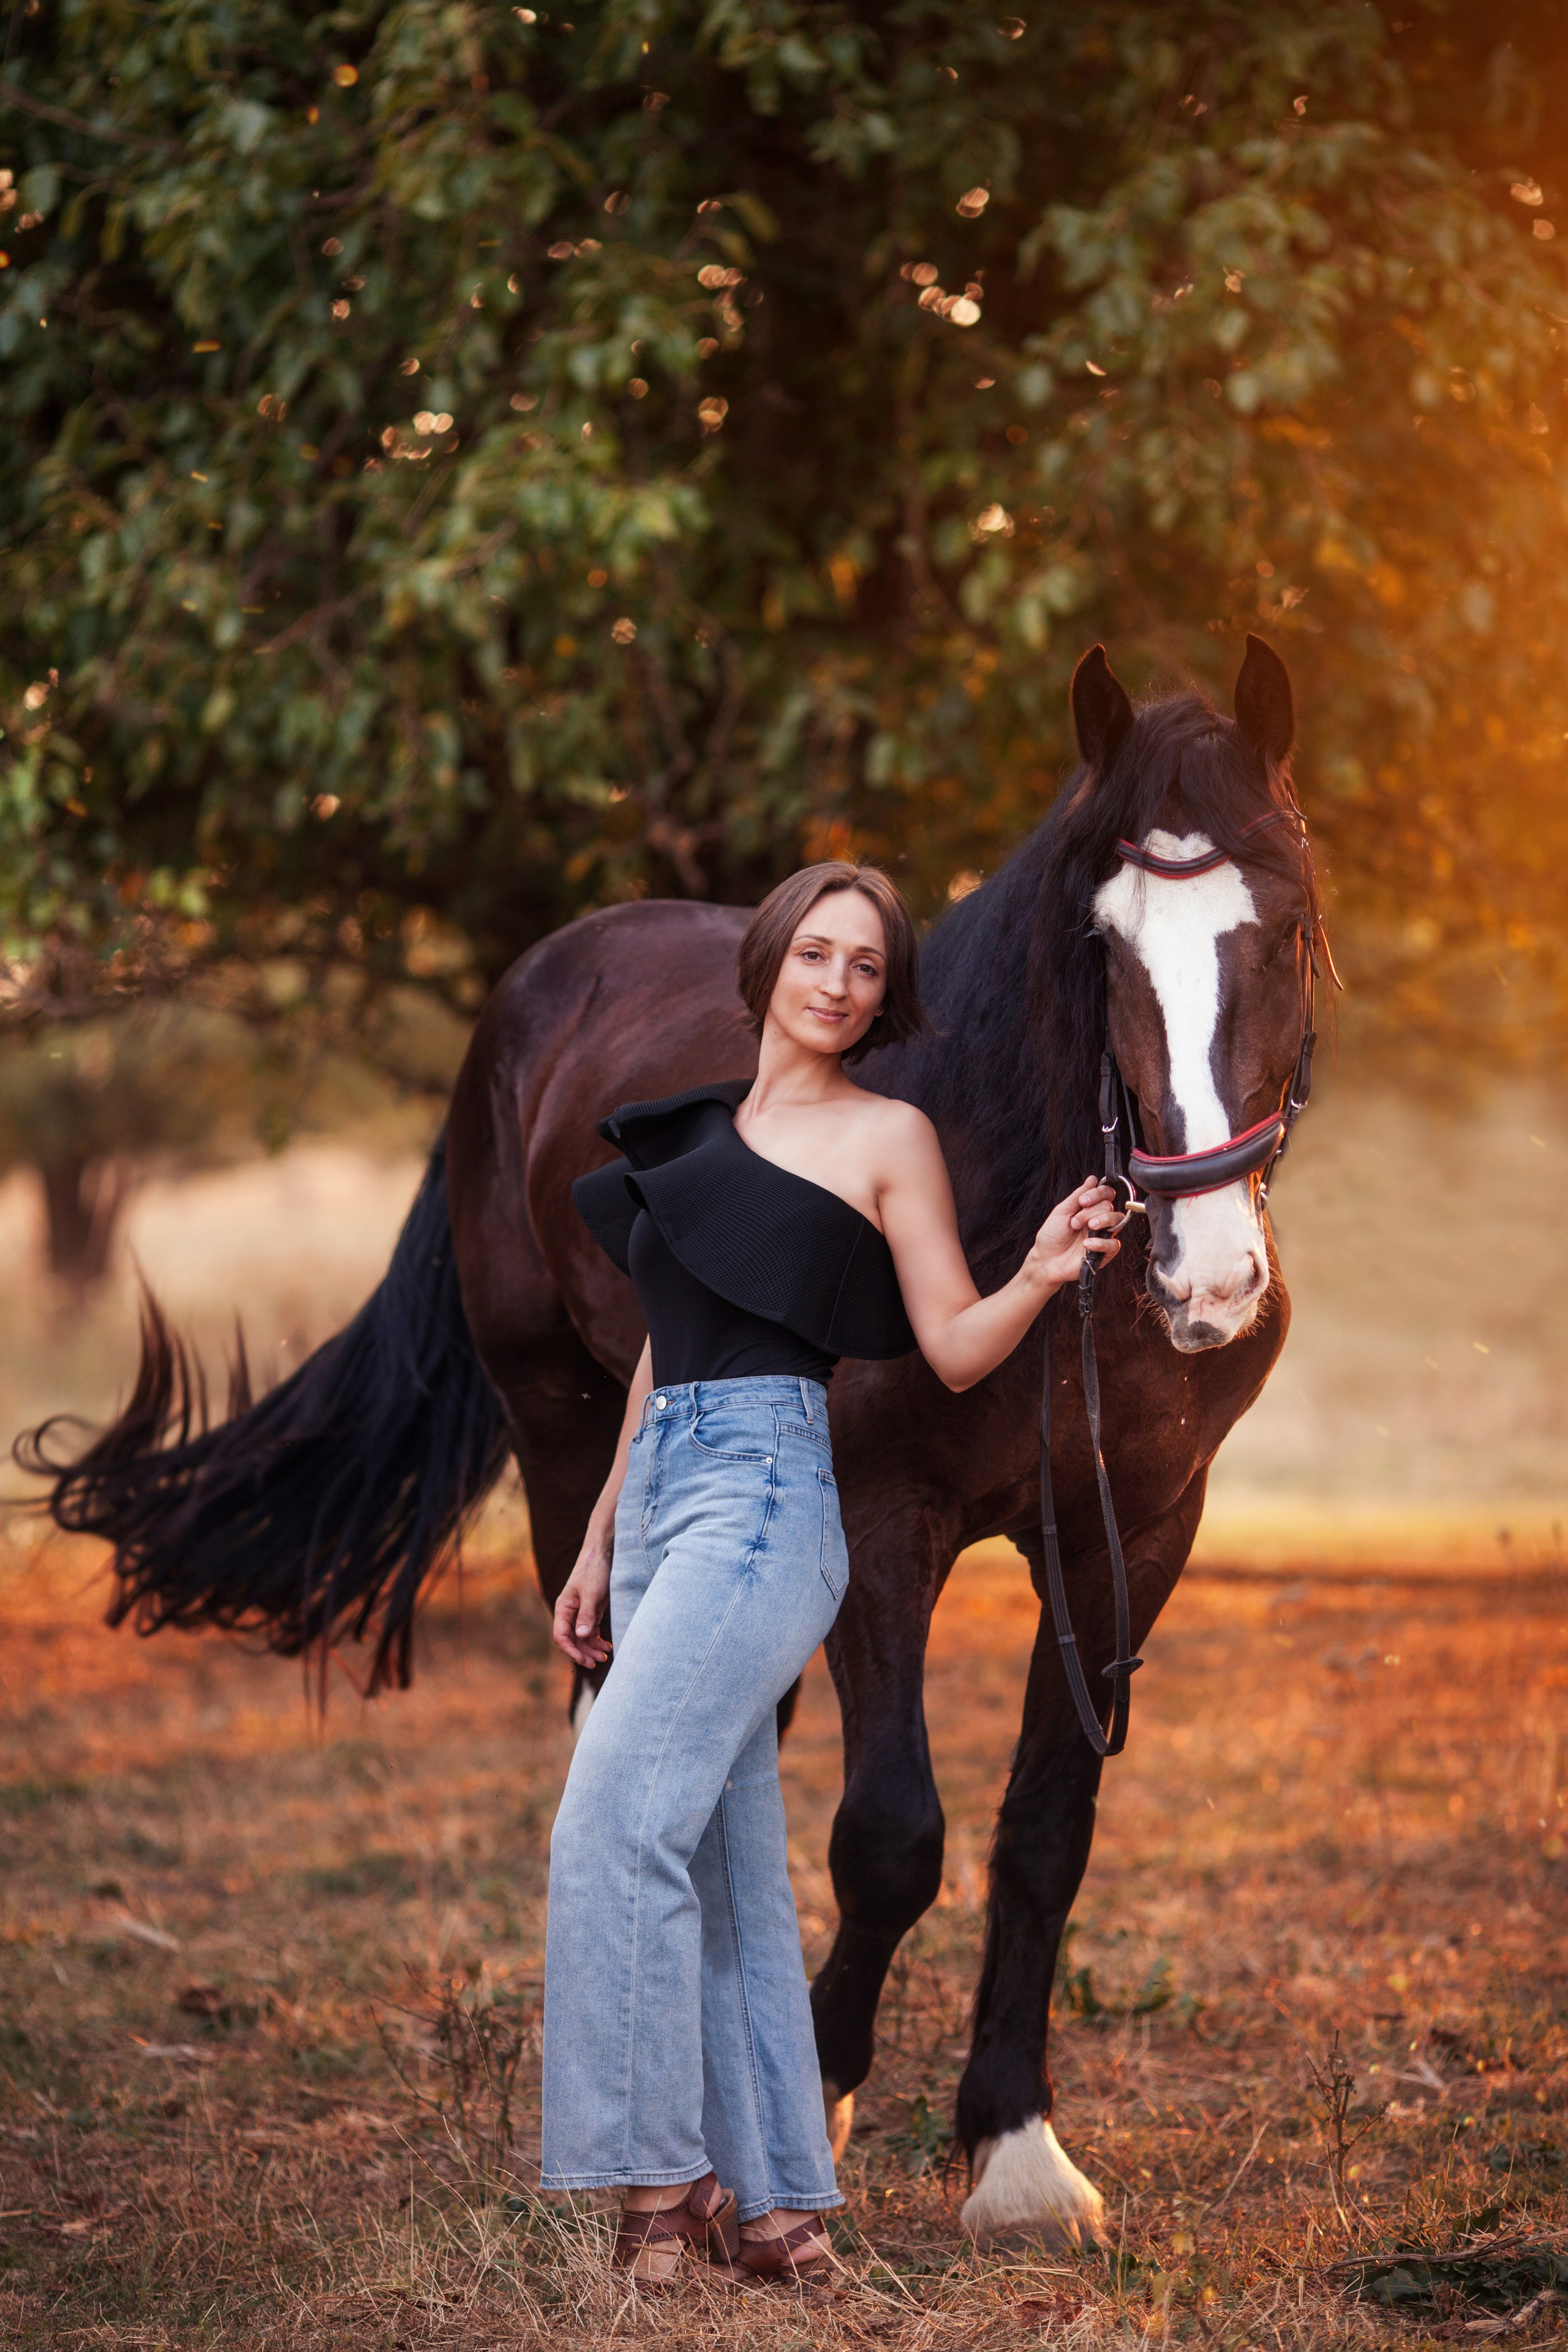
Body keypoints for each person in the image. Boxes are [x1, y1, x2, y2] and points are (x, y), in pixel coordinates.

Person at [541, 861, 1120, 2286]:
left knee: (611, 1829)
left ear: (882, 996)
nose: (837, 984)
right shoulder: (701, 1133)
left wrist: (1040, 1268)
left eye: (865, 966)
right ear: (766, 963)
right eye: (815, 953)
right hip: (666, 1499)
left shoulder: (886, 1137)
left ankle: (664, 2184)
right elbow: (664, 1350)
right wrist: (602, 1533)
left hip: (763, 1503)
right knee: (726, 1867)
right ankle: (779, 2206)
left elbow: (951, 1347)